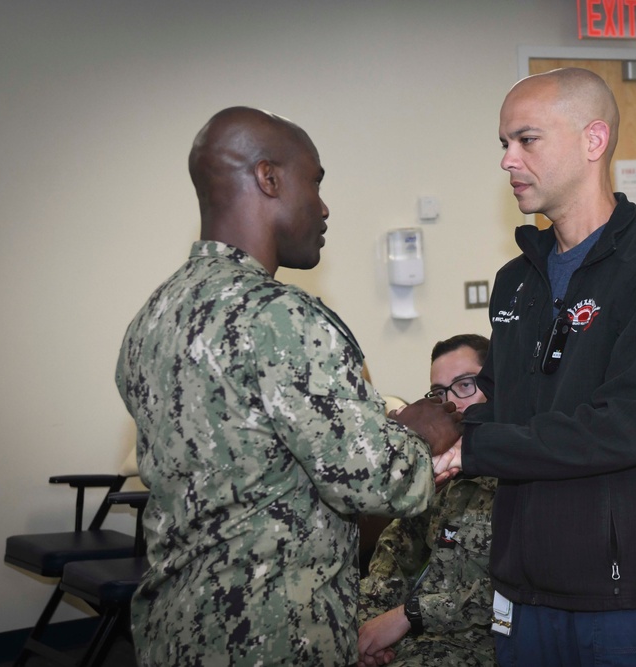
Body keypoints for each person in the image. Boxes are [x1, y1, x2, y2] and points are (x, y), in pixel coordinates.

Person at [115, 106, 461, 667]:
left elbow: (250, 467)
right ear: (269, 179)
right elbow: (378, 484)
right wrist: (421, 432)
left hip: (174, 627)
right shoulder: (281, 316)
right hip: (270, 633)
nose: (324, 207)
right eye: (316, 182)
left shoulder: (154, 316)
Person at [434, 68, 636, 665]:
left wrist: (471, 450)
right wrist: (428, 423)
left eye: (526, 140)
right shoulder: (517, 281)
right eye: (503, 144)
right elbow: (503, 400)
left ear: (594, 141)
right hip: (524, 594)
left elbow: (625, 426)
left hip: (626, 603)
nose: (507, 160)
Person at [358, 334, 497, 667]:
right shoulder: (437, 477)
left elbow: (512, 592)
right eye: (438, 393)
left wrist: (409, 615)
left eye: (465, 385)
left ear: (496, 383)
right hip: (409, 647)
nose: (450, 404)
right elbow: (392, 557)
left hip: (479, 650)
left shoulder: (522, 476)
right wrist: (364, 632)